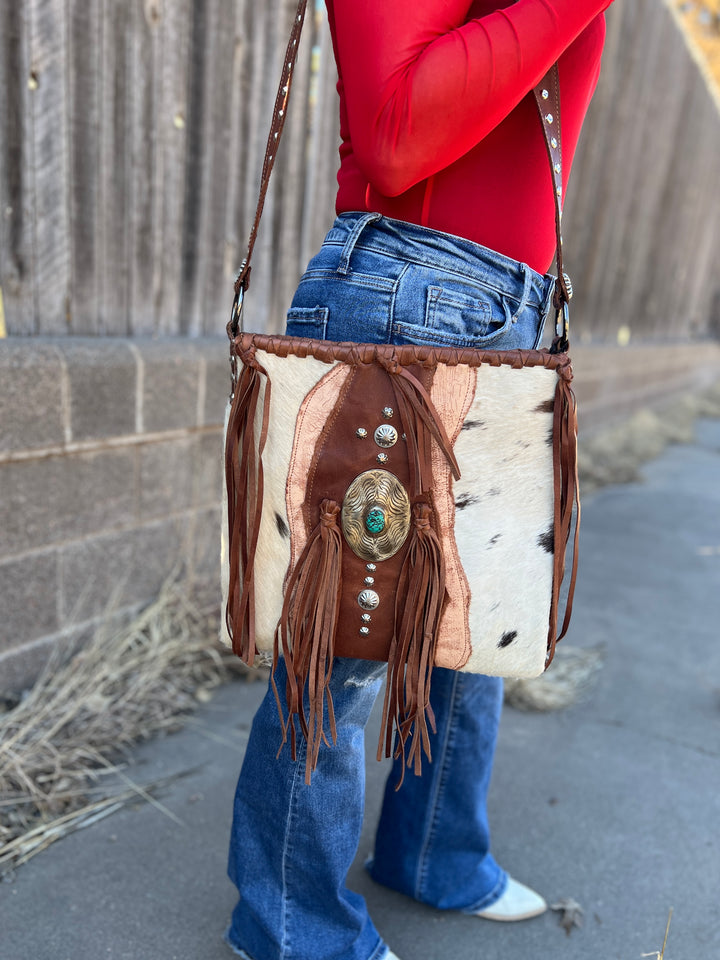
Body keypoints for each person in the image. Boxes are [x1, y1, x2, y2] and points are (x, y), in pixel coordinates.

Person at [225, 2, 613, 959]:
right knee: (346, 644)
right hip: (409, 298)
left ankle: (434, 851)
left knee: (476, 618)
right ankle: (288, 925)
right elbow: (397, 135)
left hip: (507, 301)